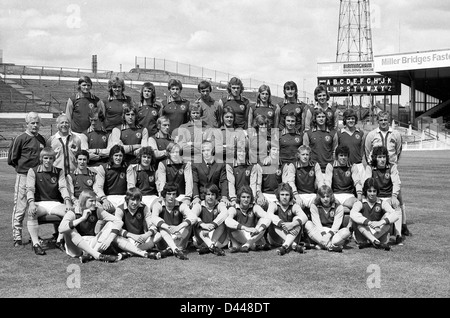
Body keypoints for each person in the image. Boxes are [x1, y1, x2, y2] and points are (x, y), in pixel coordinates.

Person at [364, 111, 409, 236]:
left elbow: (398, 151)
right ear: (378, 121)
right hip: (376, 168)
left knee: (398, 197)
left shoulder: (396, 134)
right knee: (374, 194)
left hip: (390, 168)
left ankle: (403, 226)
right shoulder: (371, 135)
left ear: (389, 120)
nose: (383, 122)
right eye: (381, 120)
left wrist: (391, 163)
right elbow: (367, 151)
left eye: (385, 120)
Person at [8, 112, 46, 247]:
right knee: (20, 207)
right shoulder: (20, 138)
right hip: (24, 176)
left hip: (38, 178)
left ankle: (33, 235)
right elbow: (12, 159)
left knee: (34, 207)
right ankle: (17, 237)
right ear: (27, 124)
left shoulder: (42, 139)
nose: (35, 125)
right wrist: (23, 171)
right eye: (32, 123)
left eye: (37, 123)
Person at [26, 147, 72, 255]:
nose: (48, 160)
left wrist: (67, 201)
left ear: (54, 159)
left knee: (70, 213)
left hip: (55, 204)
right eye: (45, 158)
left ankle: (59, 240)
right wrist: (31, 203)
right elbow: (30, 189)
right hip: (39, 204)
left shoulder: (59, 171)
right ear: (41, 158)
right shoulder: (33, 171)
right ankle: (36, 243)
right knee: (31, 212)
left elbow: (63, 187)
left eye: (50, 158)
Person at [58, 190, 122, 263]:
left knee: (111, 223)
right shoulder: (72, 212)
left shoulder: (98, 211)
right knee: (68, 229)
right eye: (91, 201)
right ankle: (96, 255)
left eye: (95, 201)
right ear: (83, 201)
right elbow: (61, 229)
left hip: (92, 242)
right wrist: (82, 218)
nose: (94, 203)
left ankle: (91, 255)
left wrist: (110, 239)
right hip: (76, 247)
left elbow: (118, 221)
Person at [364, 146, 404, 244]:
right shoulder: (370, 167)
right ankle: (372, 235)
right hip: (375, 197)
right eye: (379, 157)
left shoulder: (392, 167)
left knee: (397, 204)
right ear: (375, 158)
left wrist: (394, 196)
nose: (382, 160)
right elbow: (366, 182)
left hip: (388, 197)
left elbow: (396, 182)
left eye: (384, 157)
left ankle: (398, 235)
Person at [350, 178, 400, 251]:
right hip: (363, 233)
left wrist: (380, 222)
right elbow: (353, 214)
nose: (372, 194)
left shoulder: (382, 202)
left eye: (374, 191)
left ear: (377, 191)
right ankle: (374, 240)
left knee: (388, 220)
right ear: (366, 191)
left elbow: (395, 215)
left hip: (378, 231)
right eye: (369, 191)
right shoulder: (360, 203)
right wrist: (369, 222)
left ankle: (370, 242)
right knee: (358, 222)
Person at [113, 187, 163, 259]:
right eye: (132, 199)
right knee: (115, 238)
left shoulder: (144, 208)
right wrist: (132, 236)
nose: (135, 202)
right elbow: (117, 228)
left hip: (141, 238)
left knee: (158, 235)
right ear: (127, 199)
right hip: (127, 238)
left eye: (138, 200)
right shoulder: (120, 209)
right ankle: (142, 252)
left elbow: (152, 225)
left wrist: (146, 235)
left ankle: (129, 253)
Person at [151, 183, 197, 260]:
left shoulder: (181, 205)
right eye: (169, 194)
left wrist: (178, 227)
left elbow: (193, 217)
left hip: (177, 235)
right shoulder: (158, 204)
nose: (171, 197)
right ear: (164, 194)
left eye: (174, 194)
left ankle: (172, 250)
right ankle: (175, 249)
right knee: (161, 227)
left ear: (176, 195)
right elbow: (154, 218)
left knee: (188, 225)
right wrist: (168, 227)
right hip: (165, 237)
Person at [303, 185, 351, 252]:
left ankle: (320, 245)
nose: (325, 199)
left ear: (331, 196)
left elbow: (336, 225)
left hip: (332, 233)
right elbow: (317, 223)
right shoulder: (314, 206)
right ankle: (330, 246)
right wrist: (324, 235)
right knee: (308, 224)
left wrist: (328, 236)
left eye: (327, 196)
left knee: (346, 231)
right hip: (319, 233)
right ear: (319, 197)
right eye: (323, 197)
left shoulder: (339, 207)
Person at [225, 185, 271, 253]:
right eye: (243, 197)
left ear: (251, 198)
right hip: (240, 233)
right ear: (239, 198)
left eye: (248, 197)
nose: (246, 199)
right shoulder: (234, 208)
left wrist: (259, 230)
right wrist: (245, 228)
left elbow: (267, 217)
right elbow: (227, 221)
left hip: (253, 234)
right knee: (231, 223)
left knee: (265, 219)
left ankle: (246, 245)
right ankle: (253, 246)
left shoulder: (254, 207)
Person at [324, 145, 362, 227]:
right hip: (335, 195)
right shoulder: (330, 166)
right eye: (341, 155)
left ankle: (351, 227)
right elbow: (328, 182)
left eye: (345, 155)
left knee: (358, 204)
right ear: (337, 156)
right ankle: (334, 228)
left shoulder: (352, 166)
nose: (343, 158)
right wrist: (330, 196)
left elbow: (357, 181)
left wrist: (359, 195)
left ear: (348, 156)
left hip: (348, 196)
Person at [266, 183, 308, 255]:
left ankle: (285, 246)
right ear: (278, 195)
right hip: (275, 238)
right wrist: (282, 224)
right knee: (273, 220)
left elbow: (305, 217)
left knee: (297, 219)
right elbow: (269, 214)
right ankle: (293, 245)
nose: (284, 197)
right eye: (282, 194)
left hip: (291, 234)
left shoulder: (294, 205)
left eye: (287, 195)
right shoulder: (274, 204)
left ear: (290, 196)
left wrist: (292, 224)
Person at [190, 183, 228, 256]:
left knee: (222, 223)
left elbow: (225, 213)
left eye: (213, 194)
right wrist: (202, 224)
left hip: (216, 238)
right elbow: (192, 215)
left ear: (216, 196)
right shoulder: (199, 205)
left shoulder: (219, 204)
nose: (210, 197)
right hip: (203, 237)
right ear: (204, 195)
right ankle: (212, 247)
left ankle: (210, 246)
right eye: (208, 194)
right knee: (196, 224)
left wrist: (213, 225)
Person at [285, 145, 324, 212]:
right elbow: (291, 182)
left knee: (322, 202)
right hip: (299, 195)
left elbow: (320, 180)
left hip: (312, 195)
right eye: (303, 154)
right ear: (298, 155)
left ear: (309, 155)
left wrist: (321, 194)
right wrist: (296, 196)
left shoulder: (315, 165)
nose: (305, 156)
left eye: (307, 154)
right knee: (295, 205)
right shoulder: (293, 165)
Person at [253, 142, 291, 211]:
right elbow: (258, 185)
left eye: (278, 150)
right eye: (274, 149)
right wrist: (260, 195)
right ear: (269, 150)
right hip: (265, 195)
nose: (276, 152)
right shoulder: (261, 165)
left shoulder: (283, 165)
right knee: (259, 204)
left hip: (278, 195)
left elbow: (284, 185)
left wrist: (281, 197)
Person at [191, 140, 230, 207]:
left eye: (208, 150)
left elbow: (223, 181)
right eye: (203, 150)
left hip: (216, 197)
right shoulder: (195, 164)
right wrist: (196, 197)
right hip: (201, 197)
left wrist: (224, 197)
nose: (206, 153)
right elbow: (195, 182)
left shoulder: (220, 164)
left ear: (213, 151)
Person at [93, 145, 128, 213]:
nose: (118, 158)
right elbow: (99, 187)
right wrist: (104, 200)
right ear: (112, 156)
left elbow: (131, 185)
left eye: (120, 155)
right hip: (108, 197)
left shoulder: (127, 167)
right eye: (116, 155)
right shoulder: (103, 168)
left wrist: (129, 199)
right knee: (103, 212)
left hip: (123, 197)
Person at [303, 108, 338, 173]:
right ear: (315, 119)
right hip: (313, 167)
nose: (321, 119)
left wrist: (333, 165)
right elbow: (305, 151)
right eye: (318, 117)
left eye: (323, 117)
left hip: (328, 167)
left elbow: (335, 150)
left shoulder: (333, 133)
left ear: (326, 118)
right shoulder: (308, 133)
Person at [226, 139, 259, 205]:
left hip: (248, 197)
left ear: (246, 153)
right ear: (236, 152)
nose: (241, 154)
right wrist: (233, 199)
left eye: (243, 151)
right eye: (239, 151)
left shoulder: (252, 166)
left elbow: (253, 184)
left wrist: (252, 198)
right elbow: (231, 183)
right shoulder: (230, 165)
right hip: (235, 197)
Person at [126, 146, 159, 211]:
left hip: (152, 197)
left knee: (159, 206)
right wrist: (137, 199)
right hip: (138, 197)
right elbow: (131, 187)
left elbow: (159, 185)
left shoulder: (154, 170)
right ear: (140, 157)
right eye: (144, 157)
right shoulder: (133, 168)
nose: (146, 159)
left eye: (149, 157)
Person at [337, 108, 366, 180]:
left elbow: (362, 150)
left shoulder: (360, 133)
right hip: (344, 166)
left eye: (353, 118)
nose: (351, 121)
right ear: (345, 120)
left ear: (355, 120)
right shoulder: (339, 133)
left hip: (358, 165)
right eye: (348, 119)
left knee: (360, 188)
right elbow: (336, 150)